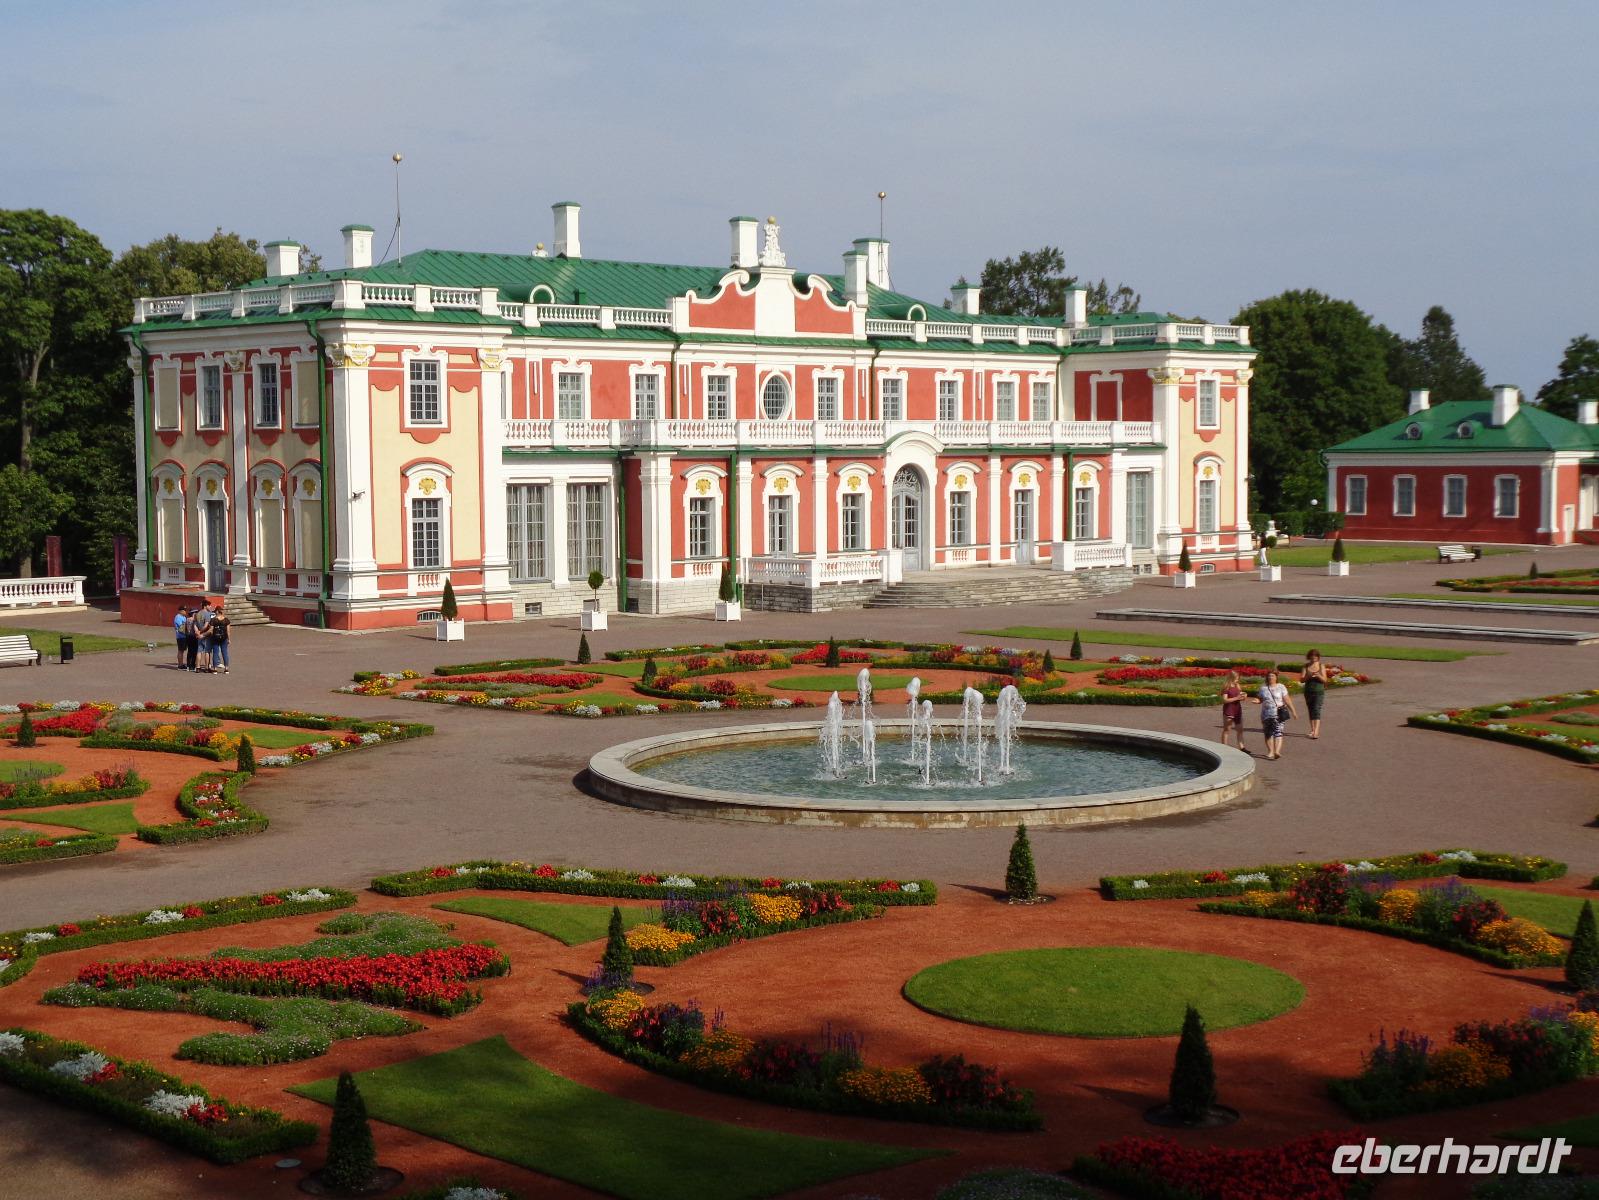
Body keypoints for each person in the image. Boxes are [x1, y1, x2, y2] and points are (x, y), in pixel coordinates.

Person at [1254, 669, 1297, 761]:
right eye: (1269, 676)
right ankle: (1270, 751)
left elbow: (1287, 700)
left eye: (1272, 676)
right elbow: (1260, 699)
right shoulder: (1263, 688)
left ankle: (1277, 751)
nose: (1270, 677)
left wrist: (1293, 711)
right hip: (1266, 714)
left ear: (1276, 677)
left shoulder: (1281, 687)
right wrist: (1257, 701)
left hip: (1279, 713)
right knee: (1268, 733)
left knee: (1278, 731)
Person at [1301, 649, 1336, 740]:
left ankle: (1316, 732)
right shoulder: (1305, 666)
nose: (1314, 658)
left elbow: (1325, 680)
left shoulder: (1321, 666)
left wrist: (1318, 675)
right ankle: (1312, 730)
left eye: (1315, 656)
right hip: (1308, 691)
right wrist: (1308, 676)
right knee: (1311, 710)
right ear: (1309, 657)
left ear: (1318, 657)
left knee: (1316, 709)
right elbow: (1301, 680)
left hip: (1319, 691)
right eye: (1312, 656)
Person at [1219, 669, 1249, 752]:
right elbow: (1225, 700)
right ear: (1231, 678)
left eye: (1238, 678)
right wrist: (1236, 698)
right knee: (1227, 729)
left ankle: (1242, 747)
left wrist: (1244, 696)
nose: (1237, 680)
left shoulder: (1237, 686)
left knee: (1240, 729)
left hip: (1237, 709)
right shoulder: (1226, 687)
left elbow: (1240, 696)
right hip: (1229, 709)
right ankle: (1224, 747)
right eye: (1236, 678)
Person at [208, 602, 231, 674]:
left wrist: (211, 636)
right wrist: (229, 639)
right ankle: (226, 669)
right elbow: (228, 631)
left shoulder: (213, 620)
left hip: (215, 638)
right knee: (225, 652)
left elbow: (211, 630)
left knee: (215, 653)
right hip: (224, 638)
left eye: (215, 611)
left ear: (217, 611)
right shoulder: (226, 620)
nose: (215, 612)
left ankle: (215, 669)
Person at [193, 603, 215, 672]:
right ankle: (206, 668)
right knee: (207, 651)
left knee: (199, 651)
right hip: (206, 635)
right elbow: (206, 626)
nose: (210, 607)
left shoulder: (197, 614)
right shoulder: (208, 614)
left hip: (199, 635)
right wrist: (200, 632)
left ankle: (198, 667)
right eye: (209, 605)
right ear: (205, 606)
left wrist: (197, 631)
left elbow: (195, 624)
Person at [182, 606, 202, 672]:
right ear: (193, 613)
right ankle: (192, 665)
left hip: (188, 636)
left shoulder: (187, 619)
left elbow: (185, 629)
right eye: (196, 612)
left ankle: (188, 665)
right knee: (194, 651)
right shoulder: (194, 620)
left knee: (190, 651)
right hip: (194, 636)